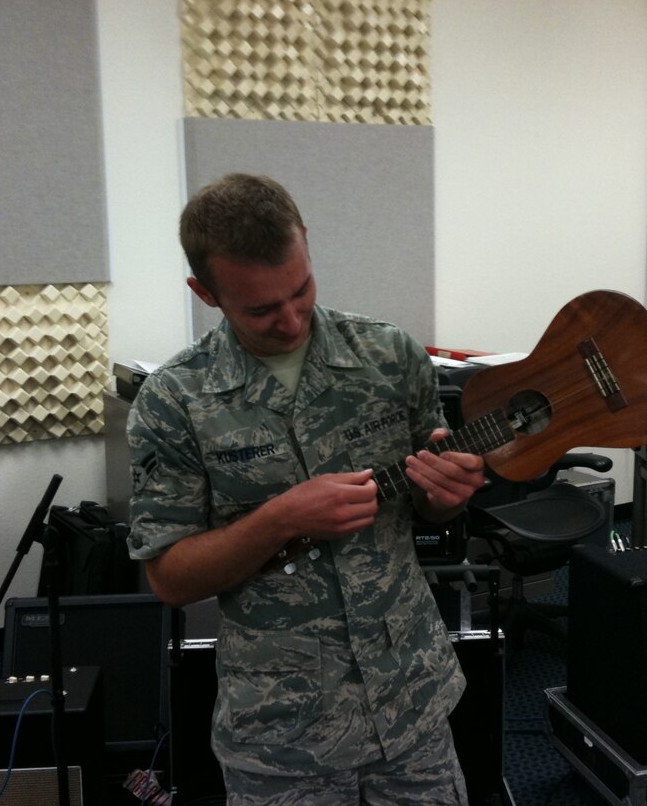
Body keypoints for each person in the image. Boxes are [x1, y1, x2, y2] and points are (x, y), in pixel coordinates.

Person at [126, 172, 486, 805]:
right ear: (204, 293)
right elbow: (170, 579)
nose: (291, 320)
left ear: (308, 247)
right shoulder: (174, 401)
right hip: (282, 732)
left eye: (301, 290)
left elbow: (427, 507)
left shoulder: (390, 357)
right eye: (260, 309)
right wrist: (279, 520)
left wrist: (447, 493)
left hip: (411, 704)